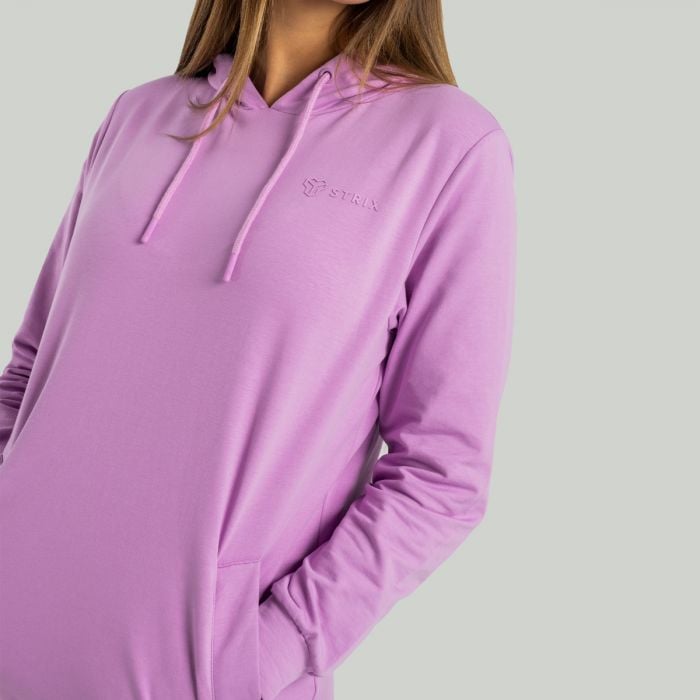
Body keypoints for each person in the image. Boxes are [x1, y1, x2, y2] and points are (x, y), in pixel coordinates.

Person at [0, 0, 517, 698]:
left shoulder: (448, 146)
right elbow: (28, 375)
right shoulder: (137, 115)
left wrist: (268, 653)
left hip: (199, 680)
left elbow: (441, 475)